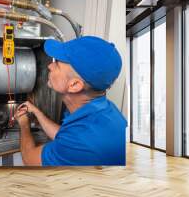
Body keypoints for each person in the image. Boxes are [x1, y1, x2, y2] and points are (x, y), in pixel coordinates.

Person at [15, 36, 127, 166]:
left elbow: (30, 159)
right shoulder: (105, 111)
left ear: (74, 85)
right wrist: (37, 113)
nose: (50, 65)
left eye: (57, 63)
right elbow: (64, 136)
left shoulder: (83, 142)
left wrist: (24, 124)